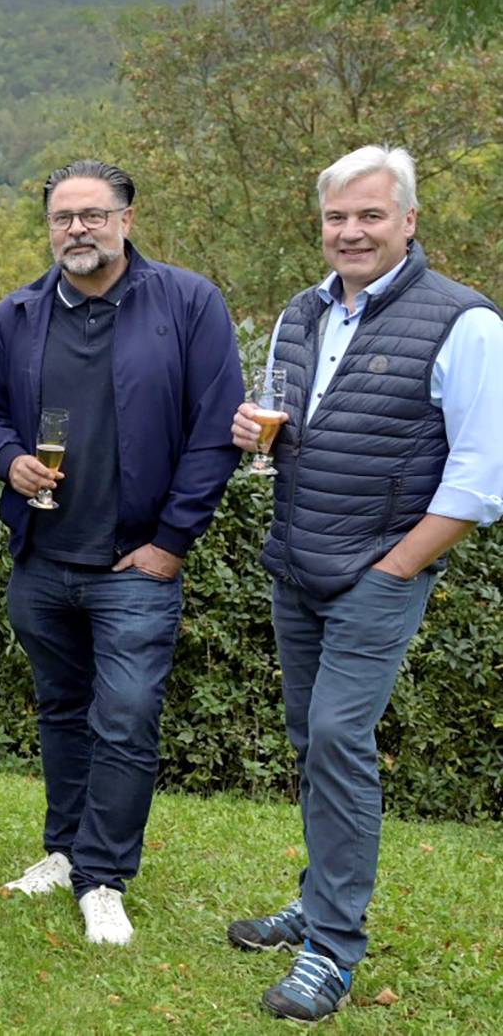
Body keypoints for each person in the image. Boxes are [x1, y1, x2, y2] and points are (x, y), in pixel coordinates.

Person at [224, 146, 501, 1022]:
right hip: (296, 562)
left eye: (370, 215)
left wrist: (397, 565)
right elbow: (295, 429)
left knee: (338, 737)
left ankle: (332, 949)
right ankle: (315, 895)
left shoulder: (464, 322)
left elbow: (481, 476)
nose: (351, 231)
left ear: (408, 220)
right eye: (337, 217)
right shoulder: (299, 315)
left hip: (380, 569)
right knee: (310, 740)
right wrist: (252, 432)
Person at [0, 159, 243, 947]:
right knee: (60, 711)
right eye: (63, 216)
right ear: (48, 226)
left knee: (123, 717)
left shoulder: (187, 303)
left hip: (134, 562)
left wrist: (171, 541)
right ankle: (64, 848)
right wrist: (8, 459)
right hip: (42, 555)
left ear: (126, 218)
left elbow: (213, 427)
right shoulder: (17, 314)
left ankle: (103, 878)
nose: (77, 229)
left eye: (93, 213)